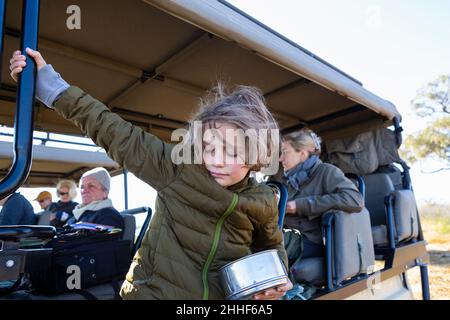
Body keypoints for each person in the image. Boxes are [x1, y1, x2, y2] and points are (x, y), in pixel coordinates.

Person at [9, 48, 292, 300]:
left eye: (230, 152)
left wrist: (275, 282)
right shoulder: (178, 170)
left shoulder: (263, 200)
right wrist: (52, 88)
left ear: (257, 156)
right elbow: (116, 132)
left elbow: (272, 246)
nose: (214, 161)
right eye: (208, 147)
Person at [278, 129, 364, 259]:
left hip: (309, 240)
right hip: (287, 235)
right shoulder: (288, 180)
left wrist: (300, 205)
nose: (280, 158)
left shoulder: (326, 171)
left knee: (269, 249)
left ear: (302, 154)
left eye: (285, 152)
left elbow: (355, 200)